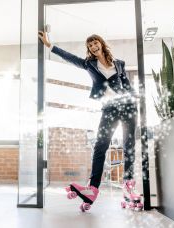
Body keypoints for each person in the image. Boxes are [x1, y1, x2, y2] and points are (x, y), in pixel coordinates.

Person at [38, 31, 143, 211]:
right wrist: (50, 45)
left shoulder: (119, 64)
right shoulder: (88, 64)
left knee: (129, 145)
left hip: (128, 109)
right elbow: (69, 57)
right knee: (100, 146)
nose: (93, 47)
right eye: (90, 45)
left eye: (95, 43)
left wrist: (137, 101)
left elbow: (127, 86)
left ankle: (128, 184)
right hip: (109, 109)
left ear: (101, 44)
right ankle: (93, 187)